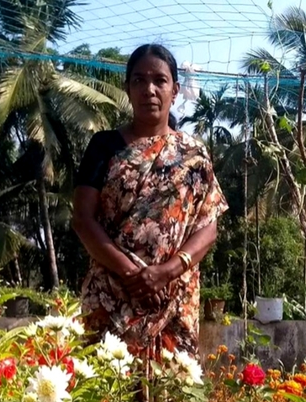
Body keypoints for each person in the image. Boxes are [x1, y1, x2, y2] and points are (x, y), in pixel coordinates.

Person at [72, 44, 226, 361]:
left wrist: (167, 272)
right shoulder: (104, 146)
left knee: (171, 396)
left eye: (160, 80)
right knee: (105, 395)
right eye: (139, 80)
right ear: (127, 88)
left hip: (171, 300)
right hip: (111, 296)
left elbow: (208, 228)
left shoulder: (193, 154)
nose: (150, 90)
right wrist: (131, 274)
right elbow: (83, 220)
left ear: (175, 90)